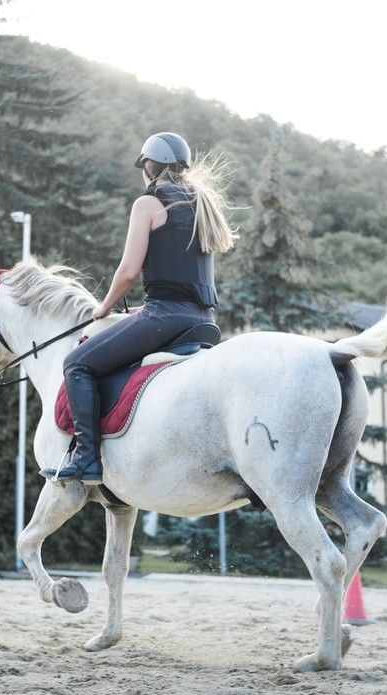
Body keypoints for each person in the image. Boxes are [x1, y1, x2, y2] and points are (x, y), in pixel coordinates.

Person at [45, 132, 237, 485]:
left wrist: (104, 308)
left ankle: (87, 460)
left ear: (148, 166)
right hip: (202, 319)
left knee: (77, 363)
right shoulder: (200, 202)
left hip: (165, 317)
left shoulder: (148, 203)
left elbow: (128, 272)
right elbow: (183, 275)